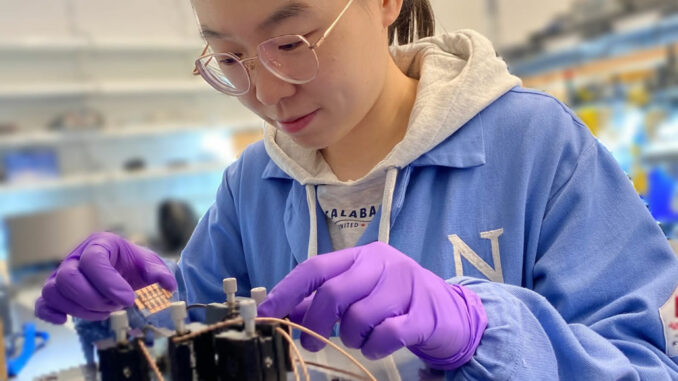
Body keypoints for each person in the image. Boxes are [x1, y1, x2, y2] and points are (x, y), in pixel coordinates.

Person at [35, 0, 678, 378]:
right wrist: (127, 314)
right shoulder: (251, 189)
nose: (267, 92)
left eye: (290, 41)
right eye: (230, 59)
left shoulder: (536, 146)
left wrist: (483, 331)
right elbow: (188, 349)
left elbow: (646, 366)